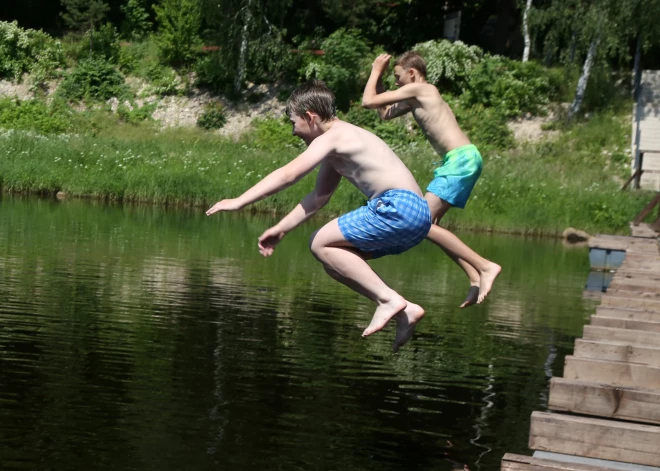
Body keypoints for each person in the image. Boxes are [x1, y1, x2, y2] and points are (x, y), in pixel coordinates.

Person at [207, 80, 432, 352]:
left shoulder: (335, 136)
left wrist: (239, 201)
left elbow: (289, 174)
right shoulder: (339, 146)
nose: (293, 132)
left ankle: (388, 299)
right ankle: (403, 311)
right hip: (419, 216)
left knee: (319, 243)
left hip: (398, 206)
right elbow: (319, 197)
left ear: (310, 117)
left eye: (293, 123)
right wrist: (282, 228)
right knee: (333, 262)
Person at [362, 51, 501, 306]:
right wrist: (381, 78)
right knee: (431, 225)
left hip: (461, 160)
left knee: (422, 223)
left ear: (412, 74)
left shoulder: (424, 90)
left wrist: (375, 71)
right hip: (459, 160)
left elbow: (368, 101)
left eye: (398, 76)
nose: (396, 82)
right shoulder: (416, 97)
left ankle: (485, 266)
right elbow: (383, 113)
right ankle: (473, 277)